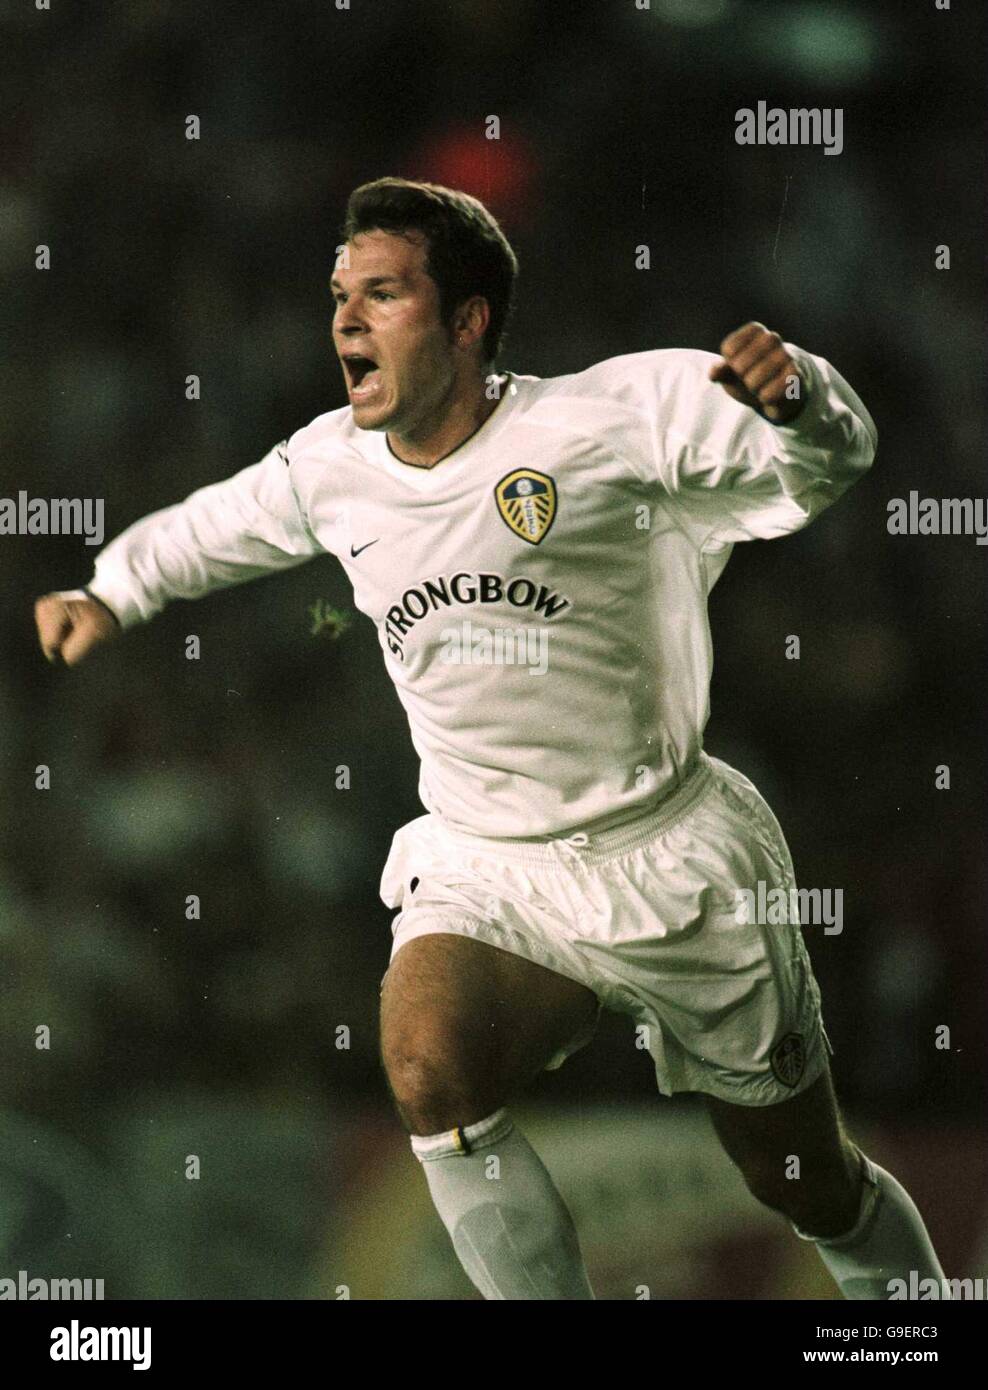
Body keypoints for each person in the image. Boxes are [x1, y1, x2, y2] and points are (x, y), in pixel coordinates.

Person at [35, 177, 948, 1300]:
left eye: (383, 294)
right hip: (488, 863)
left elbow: (813, 470)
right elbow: (220, 526)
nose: (345, 321)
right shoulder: (329, 467)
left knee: (802, 1182)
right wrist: (112, 589)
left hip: (669, 851)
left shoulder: (613, 418)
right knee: (428, 1067)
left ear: (466, 320)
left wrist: (806, 400)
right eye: (339, 296)